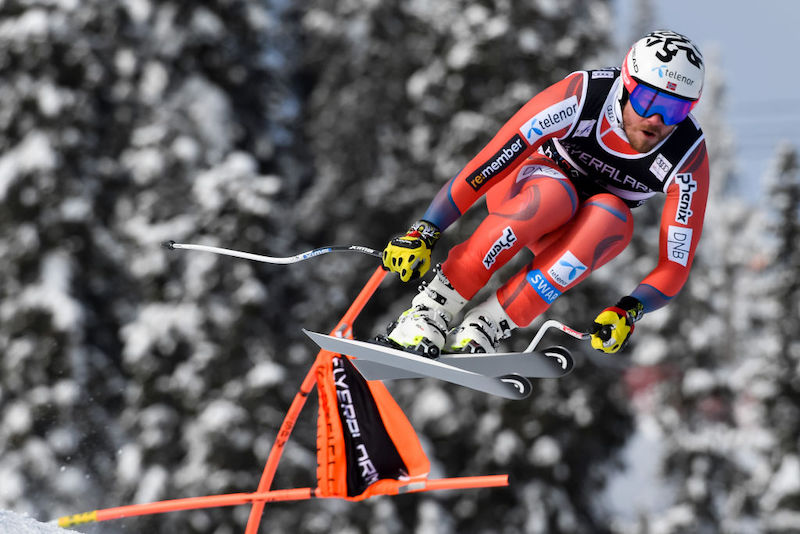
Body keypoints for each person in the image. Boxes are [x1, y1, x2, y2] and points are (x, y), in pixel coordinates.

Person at [378, 29, 710, 357]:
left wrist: (629, 309)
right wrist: (426, 229)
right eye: (648, 100)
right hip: (524, 192)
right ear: (626, 85)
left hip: (574, 236)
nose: (656, 119)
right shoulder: (584, 96)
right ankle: (431, 307)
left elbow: (675, 264)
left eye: (675, 110)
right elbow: (485, 167)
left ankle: (487, 324)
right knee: (554, 195)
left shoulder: (685, 156)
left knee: (614, 218)